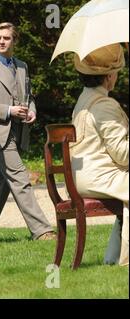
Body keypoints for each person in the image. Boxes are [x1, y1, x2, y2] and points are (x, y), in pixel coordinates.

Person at [0, 22, 55, 244]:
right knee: (20, 178)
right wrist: (8, 110)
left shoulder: (22, 66)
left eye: (6, 38)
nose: (1, 41)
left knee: (0, 186)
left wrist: (31, 110)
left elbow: (29, 96)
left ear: (14, 41)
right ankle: (41, 230)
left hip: (19, 131)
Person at [70, 43, 128, 266]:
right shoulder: (104, 104)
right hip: (99, 178)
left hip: (83, 177)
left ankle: (112, 259)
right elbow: (123, 154)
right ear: (109, 76)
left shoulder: (84, 99)